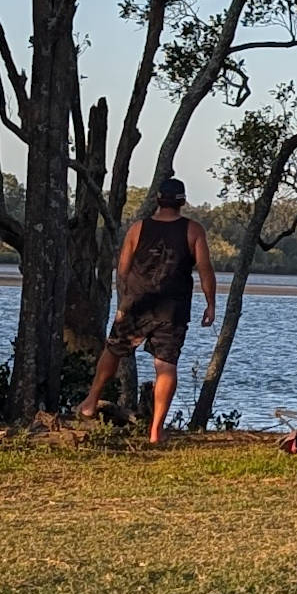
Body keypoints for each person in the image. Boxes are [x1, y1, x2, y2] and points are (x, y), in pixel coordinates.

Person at [85, 177, 215, 443]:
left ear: (157, 200)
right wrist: (211, 303)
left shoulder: (138, 228)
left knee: (113, 350)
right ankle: (156, 429)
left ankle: (91, 400)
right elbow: (205, 270)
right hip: (173, 310)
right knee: (165, 365)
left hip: (137, 303)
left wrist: (125, 299)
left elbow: (122, 268)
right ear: (182, 202)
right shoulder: (193, 230)